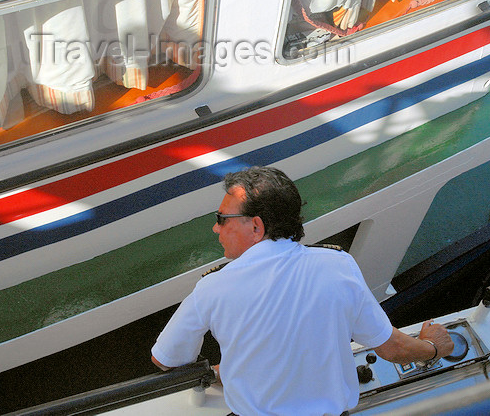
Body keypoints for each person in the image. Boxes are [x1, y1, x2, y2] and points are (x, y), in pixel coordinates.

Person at [151, 166, 454, 415]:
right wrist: (435, 348)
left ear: (256, 227)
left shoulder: (211, 288)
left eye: (221, 220)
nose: (216, 229)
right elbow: (393, 349)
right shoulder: (338, 266)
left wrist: (225, 371)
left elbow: (166, 360)